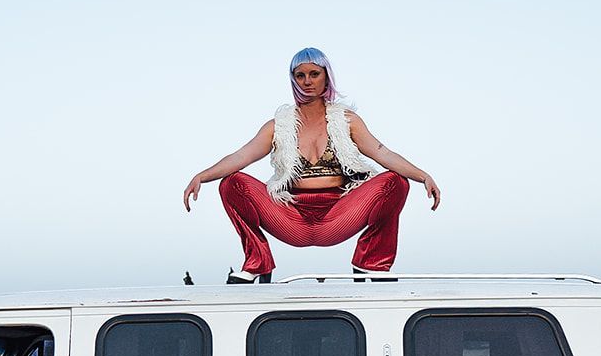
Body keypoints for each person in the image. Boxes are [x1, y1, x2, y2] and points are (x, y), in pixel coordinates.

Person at [182, 47, 441, 283]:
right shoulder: (278, 126)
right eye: (300, 75)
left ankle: (370, 263)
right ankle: (258, 262)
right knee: (232, 183)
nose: (307, 81)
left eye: (314, 74)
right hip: (291, 216)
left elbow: (382, 153)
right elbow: (240, 157)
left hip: (338, 214)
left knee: (395, 181)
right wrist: (201, 176)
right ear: (292, 79)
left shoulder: (348, 121)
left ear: (326, 76)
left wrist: (423, 176)